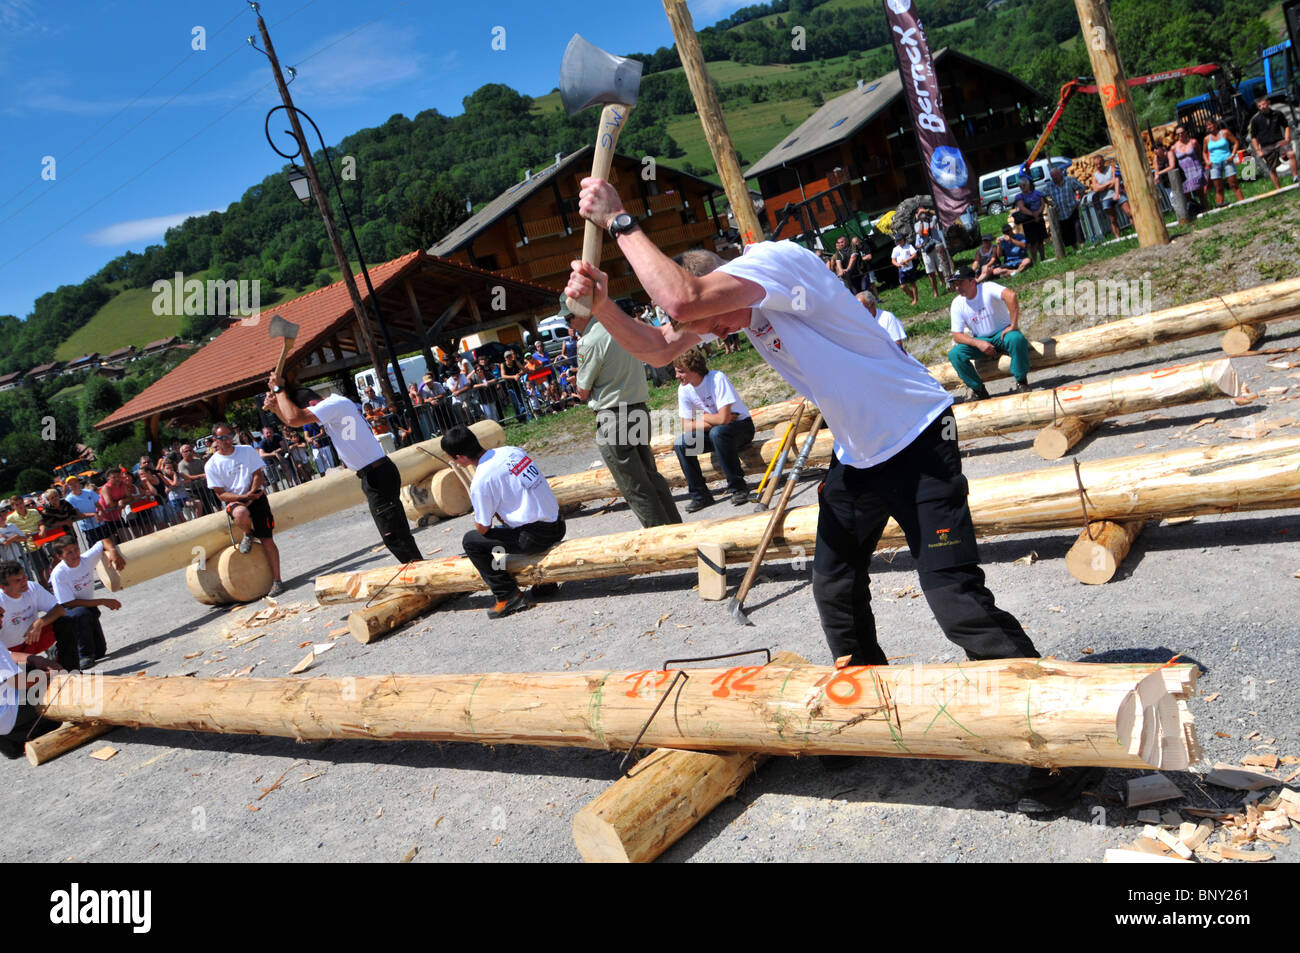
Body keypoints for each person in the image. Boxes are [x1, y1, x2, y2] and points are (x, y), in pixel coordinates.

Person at [563, 180, 1083, 813]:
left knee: (957, 603)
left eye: (710, 319)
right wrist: (604, 307)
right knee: (834, 586)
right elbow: (659, 341)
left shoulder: (776, 264)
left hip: (919, 440)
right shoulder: (731, 307)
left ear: (724, 282)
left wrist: (619, 219)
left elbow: (682, 296)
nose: (714, 335)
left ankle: (1059, 740)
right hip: (859, 458)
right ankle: (867, 709)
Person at [266, 376, 423, 564]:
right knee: (394, 532)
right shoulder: (336, 406)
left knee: (394, 534)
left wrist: (278, 390)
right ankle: (417, 571)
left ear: (312, 404)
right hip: (374, 474)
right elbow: (292, 421)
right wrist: (276, 407)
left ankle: (419, 572)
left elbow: (295, 418)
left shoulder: (334, 404)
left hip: (377, 473)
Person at [573, 295, 682, 529]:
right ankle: (675, 527)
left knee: (635, 486)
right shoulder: (621, 328)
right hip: (638, 408)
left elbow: (582, 391)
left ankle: (661, 538)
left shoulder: (590, 341)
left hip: (613, 416)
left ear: (580, 314)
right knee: (651, 476)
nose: (569, 324)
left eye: (568, 318)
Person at [441, 425, 565, 619]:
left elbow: (482, 528)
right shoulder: (512, 451)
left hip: (535, 537)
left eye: (452, 458)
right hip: (558, 523)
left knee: (472, 542)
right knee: (500, 539)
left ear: (461, 457)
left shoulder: (481, 480)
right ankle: (543, 581)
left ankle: (507, 595)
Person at [204, 423, 284, 597]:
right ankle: (247, 533)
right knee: (240, 513)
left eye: (228, 436)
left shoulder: (246, 450)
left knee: (267, 539)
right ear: (215, 440)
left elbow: (258, 474)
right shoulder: (211, 465)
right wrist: (242, 498)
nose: (226, 441)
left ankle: (277, 580)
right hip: (236, 501)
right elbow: (220, 494)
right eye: (222, 438)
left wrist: (252, 493)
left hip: (256, 496)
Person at [672, 348, 755, 512]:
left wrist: (703, 417)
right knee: (682, 444)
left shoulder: (717, 379)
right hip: (716, 432)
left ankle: (738, 487)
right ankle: (700, 495)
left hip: (742, 428)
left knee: (719, 433)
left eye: (681, 372)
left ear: (694, 370)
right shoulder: (684, 389)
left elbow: (724, 420)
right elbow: (686, 425)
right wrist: (714, 418)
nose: (677, 376)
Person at [947, 266, 1031, 401]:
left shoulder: (987, 288)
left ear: (972, 281)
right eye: (955, 284)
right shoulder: (957, 303)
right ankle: (979, 390)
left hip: (1001, 334)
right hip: (980, 339)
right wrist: (978, 343)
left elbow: (1011, 296)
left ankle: (1021, 382)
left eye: (960, 283)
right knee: (955, 354)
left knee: (1016, 339)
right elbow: (957, 335)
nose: (957, 287)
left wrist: (1013, 325)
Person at [49, 535, 125, 670]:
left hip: (88, 608)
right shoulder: (58, 574)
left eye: (76, 549)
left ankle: (64, 645)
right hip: (68, 612)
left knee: (100, 652)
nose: (75, 554)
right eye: (69, 552)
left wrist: (113, 551)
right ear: (59, 556)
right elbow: (69, 603)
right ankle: (83, 655)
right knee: (81, 613)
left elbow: (103, 541)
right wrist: (103, 601)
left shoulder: (86, 559)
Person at [0, 561, 72, 670]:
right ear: (3, 586)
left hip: (34, 640)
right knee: (35, 682)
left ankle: (70, 669)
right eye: (18, 580)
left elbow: (60, 610)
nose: (24, 582)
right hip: (12, 652)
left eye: (24, 577)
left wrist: (39, 622)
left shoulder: (32, 587)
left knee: (65, 622)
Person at [1249, 95, 1298, 190]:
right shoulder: (1255, 120)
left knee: (1291, 154)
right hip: (1266, 145)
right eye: (1260, 106)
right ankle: (1278, 189)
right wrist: (1257, 150)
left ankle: (1295, 176)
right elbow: (1253, 137)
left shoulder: (1277, 114)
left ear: (1268, 103)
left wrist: (1287, 138)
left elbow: (1286, 126)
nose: (1262, 107)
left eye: (1263, 104)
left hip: (1279, 142)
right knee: (1271, 168)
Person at [1202, 118, 1245, 207]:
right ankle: (1220, 206)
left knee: (1233, 184)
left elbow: (1236, 142)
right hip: (1214, 164)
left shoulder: (1225, 133)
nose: (1209, 127)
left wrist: (1232, 155)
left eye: (1211, 124)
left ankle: (1243, 203)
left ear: (1215, 124)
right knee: (1218, 187)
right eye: (1207, 126)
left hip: (1227, 161)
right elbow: (1204, 152)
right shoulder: (1206, 139)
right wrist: (1207, 161)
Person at [1043, 166, 1086, 250]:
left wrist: (1078, 200)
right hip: (1060, 213)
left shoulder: (1069, 180)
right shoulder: (1050, 186)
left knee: (1077, 229)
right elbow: (1042, 195)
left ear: (1060, 174)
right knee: (1067, 233)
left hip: (1072, 209)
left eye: (1056, 175)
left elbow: (1082, 188)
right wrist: (1049, 202)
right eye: (1053, 176)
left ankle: (1083, 247)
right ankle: (1075, 249)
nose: (1054, 178)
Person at [1169, 124, 1208, 212]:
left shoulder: (1193, 142)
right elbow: (1173, 163)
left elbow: (1198, 154)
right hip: (1184, 173)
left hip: (1196, 170)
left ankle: (1207, 210)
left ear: (1186, 132)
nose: (1180, 135)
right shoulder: (1174, 147)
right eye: (1178, 134)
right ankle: (1193, 211)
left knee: (1200, 193)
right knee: (1186, 195)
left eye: (1182, 133)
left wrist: (1201, 166)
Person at [1091, 155, 1131, 239]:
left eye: (1100, 163)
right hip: (1106, 198)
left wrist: (1102, 186)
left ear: (1103, 162)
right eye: (1097, 164)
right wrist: (1108, 183)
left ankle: (1138, 230)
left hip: (1117, 193)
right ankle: (1118, 237)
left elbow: (1115, 181)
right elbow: (1096, 189)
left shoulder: (1111, 168)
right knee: (1113, 219)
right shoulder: (1095, 176)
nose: (1099, 166)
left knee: (1129, 212)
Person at [913, 207, 951, 294]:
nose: (923, 214)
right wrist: (921, 220)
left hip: (937, 246)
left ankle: (948, 286)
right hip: (926, 249)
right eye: (920, 213)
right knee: (930, 272)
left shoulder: (932, 219)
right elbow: (920, 233)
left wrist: (928, 211)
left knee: (942, 268)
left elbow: (939, 214)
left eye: (923, 212)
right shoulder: (917, 224)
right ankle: (935, 292)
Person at [1011, 175, 1047, 263]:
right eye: (1021, 186)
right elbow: (1022, 207)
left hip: (1039, 219)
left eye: (1024, 185)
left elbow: (1042, 204)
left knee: (1040, 241)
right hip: (1029, 222)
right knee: (1033, 243)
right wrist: (1033, 215)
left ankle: (1043, 258)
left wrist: (1038, 213)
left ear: (1028, 185)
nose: (1023, 187)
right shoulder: (1019, 196)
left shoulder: (1037, 193)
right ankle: (1035, 261)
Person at [61, 476, 102, 543]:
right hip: (88, 527)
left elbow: (99, 505)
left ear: (78, 483)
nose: (74, 485)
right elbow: (78, 514)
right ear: (68, 486)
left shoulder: (89, 492)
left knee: (107, 542)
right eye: (71, 484)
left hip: (100, 523)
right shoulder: (69, 499)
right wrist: (94, 514)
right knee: (95, 547)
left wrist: (100, 513)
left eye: (75, 482)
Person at [890, 235, 920, 306]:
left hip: (909, 268)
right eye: (898, 240)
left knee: (913, 284)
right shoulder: (895, 249)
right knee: (903, 286)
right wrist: (898, 265)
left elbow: (914, 255)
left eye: (900, 240)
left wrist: (907, 260)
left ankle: (915, 299)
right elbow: (893, 260)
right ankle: (913, 296)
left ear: (903, 239)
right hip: (901, 269)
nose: (899, 242)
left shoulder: (909, 246)